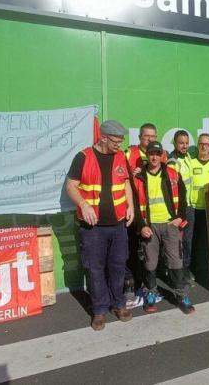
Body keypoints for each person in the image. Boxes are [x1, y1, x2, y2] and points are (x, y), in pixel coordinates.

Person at [65, 119, 135, 331]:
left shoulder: (121, 157)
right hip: (93, 228)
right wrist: (83, 204)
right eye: (115, 140)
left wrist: (130, 205)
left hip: (118, 225)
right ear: (103, 137)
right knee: (94, 269)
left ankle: (119, 304)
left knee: (118, 266)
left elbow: (125, 184)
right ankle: (99, 310)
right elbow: (70, 186)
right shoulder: (83, 157)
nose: (119, 145)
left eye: (121, 141)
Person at [133, 141, 195, 315]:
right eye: (151, 153)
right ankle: (151, 293)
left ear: (162, 156)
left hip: (170, 225)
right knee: (150, 263)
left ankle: (181, 296)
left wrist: (180, 218)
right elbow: (136, 206)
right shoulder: (139, 178)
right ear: (147, 154)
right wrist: (142, 225)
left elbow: (183, 199)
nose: (154, 157)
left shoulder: (173, 174)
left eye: (157, 153)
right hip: (150, 227)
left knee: (176, 262)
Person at [124, 123, 166, 303]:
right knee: (132, 250)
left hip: (152, 213)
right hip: (132, 210)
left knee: (148, 252)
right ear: (140, 137)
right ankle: (131, 285)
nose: (150, 139)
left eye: (153, 136)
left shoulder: (159, 155)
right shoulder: (130, 153)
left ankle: (147, 286)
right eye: (147, 136)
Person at [186, 133, 209, 282]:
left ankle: (203, 269)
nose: (204, 146)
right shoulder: (191, 162)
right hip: (193, 208)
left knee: (206, 241)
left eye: (207, 144)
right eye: (201, 144)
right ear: (198, 145)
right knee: (189, 240)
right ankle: (187, 269)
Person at [167, 130, 196, 283]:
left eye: (186, 143)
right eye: (181, 143)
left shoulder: (188, 157)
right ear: (175, 143)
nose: (184, 146)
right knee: (178, 242)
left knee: (188, 241)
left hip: (190, 207)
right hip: (180, 210)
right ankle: (178, 274)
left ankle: (186, 269)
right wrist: (178, 212)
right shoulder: (172, 161)